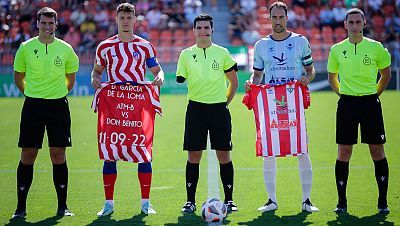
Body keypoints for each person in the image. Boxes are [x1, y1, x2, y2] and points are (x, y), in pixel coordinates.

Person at [244, 2, 319, 213]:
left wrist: (307, 78)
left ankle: (306, 201)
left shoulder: (299, 41)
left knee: (302, 148)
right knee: (269, 150)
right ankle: (272, 200)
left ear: (287, 18)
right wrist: (252, 83)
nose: (277, 21)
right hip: (270, 102)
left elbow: (310, 70)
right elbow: (257, 75)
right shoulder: (261, 45)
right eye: (274, 17)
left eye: (281, 17)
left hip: (293, 101)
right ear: (269, 18)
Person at [91, 3, 164, 216]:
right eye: (121, 17)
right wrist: (95, 80)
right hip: (114, 105)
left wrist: (159, 77)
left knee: (143, 152)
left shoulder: (144, 46)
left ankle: (145, 203)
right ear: (116, 19)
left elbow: (157, 70)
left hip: (137, 105)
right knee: (110, 153)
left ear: (134, 20)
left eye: (128, 17)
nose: (125, 21)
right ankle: (108, 203)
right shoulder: (105, 47)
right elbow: (96, 72)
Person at [12, 7, 79, 218]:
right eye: (44, 23)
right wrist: (33, 95)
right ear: (38, 24)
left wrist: (56, 94)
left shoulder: (66, 49)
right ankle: (20, 208)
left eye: (51, 23)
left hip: (58, 106)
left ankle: (62, 207)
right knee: (28, 154)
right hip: (33, 106)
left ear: (56, 25)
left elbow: (71, 79)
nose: (47, 27)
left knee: (58, 155)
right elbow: (18, 76)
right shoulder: (25, 47)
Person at [327, 8, 392, 214]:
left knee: (377, 151)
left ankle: (382, 202)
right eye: (351, 22)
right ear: (345, 25)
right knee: (344, 152)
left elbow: (386, 74)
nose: (354, 25)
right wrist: (344, 95)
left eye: (358, 22)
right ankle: (341, 202)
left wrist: (374, 95)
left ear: (364, 24)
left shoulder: (376, 48)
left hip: (370, 104)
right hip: (347, 105)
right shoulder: (336, 49)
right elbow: (332, 78)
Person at [176, 13, 239, 214]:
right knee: (194, 155)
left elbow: (234, 83)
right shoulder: (185, 54)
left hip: (219, 110)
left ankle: (229, 200)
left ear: (212, 30)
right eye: (199, 28)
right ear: (194, 30)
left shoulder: (222, 53)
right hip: (195, 109)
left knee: (224, 155)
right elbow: (181, 78)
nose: (203, 31)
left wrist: (223, 103)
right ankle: (190, 202)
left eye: (206, 28)